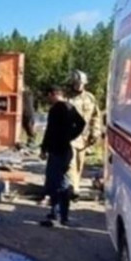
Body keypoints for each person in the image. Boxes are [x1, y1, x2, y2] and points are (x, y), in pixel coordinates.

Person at [40, 87, 86, 227]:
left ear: (54, 94)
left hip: (57, 150)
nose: (48, 99)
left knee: (58, 183)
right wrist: (69, 136)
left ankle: (58, 215)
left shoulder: (56, 109)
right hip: (64, 149)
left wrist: (44, 148)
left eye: (49, 96)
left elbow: (50, 131)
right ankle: (59, 214)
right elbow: (81, 123)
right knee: (60, 182)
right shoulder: (69, 107)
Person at [66, 70, 102, 198]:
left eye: (81, 83)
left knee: (79, 163)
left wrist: (95, 132)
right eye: (77, 83)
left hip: (84, 137)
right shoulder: (67, 98)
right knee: (70, 162)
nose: (79, 85)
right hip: (69, 137)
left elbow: (96, 116)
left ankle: (75, 184)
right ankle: (73, 188)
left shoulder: (90, 98)